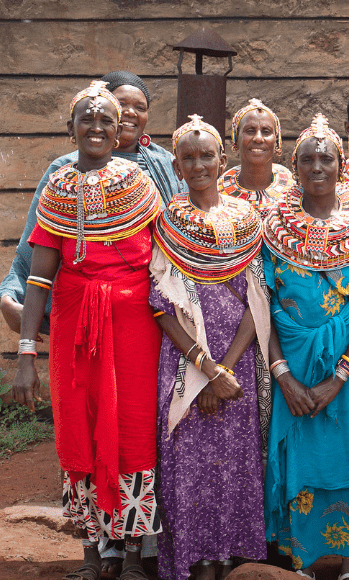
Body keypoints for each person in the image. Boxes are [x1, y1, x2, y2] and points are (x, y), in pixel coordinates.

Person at [12, 80, 163, 580]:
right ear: (70, 127)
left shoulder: (138, 184)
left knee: (135, 430)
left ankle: (138, 551)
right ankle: (93, 552)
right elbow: (38, 278)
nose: (97, 127)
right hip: (76, 329)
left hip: (136, 328)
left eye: (106, 119)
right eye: (87, 118)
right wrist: (27, 353)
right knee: (81, 428)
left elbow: (165, 262)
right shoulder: (56, 187)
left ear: (118, 127)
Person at [261, 114, 349, 580]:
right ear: (294, 166)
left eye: (326, 158)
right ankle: (303, 560)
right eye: (307, 159)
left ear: (341, 165)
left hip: (347, 368)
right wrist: (282, 374)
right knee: (300, 458)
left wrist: (340, 376)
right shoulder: (273, 228)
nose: (318, 167)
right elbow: (264, 305)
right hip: (290, 361)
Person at [149, 116, 272, 580]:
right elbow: (161, 307)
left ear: (223, 160)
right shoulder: (169, 221)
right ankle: (193, 564)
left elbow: (256, 298)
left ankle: (226, 561)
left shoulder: (246, 219)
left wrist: (226, 370)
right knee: (188, 464)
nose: (198, 164)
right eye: (188, 157)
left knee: (234, 461)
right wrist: (205, 370)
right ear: (177, 166)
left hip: (237, 362)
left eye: (207, 155)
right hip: (185, 364)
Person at [0, 70, 183, 335]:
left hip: (151, 311)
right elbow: (34, 248)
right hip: (80, 309)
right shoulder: (64, 171)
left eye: (140, 107)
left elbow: (182, 235)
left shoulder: (165, 164)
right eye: (122, 105)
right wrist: (10, 296)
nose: (131, 112)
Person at [219, 98, 294, 217]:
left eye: (266, 131)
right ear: (236, 140)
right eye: (250, 131)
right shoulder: (220, 196)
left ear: (276, 142)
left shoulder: (293, 194)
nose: (258, 138)